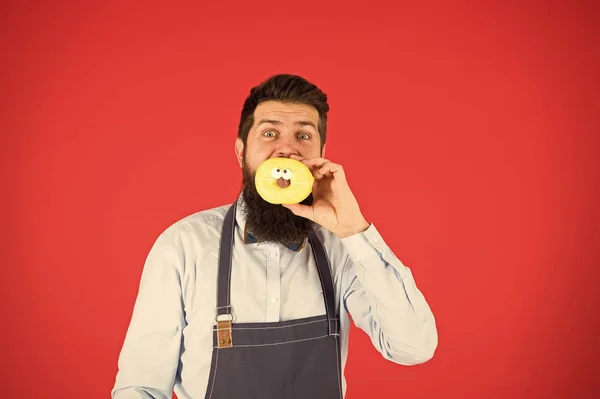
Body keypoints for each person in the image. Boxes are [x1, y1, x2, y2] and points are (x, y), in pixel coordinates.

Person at [111, 74, 438, 399]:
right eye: (269, 133)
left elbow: (412, 348)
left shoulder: (341, 246)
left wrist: (354, 229)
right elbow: (139, 389)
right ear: (241, 153)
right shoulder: (183, 246)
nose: (287, 149)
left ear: (322, 153)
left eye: (303, 136)